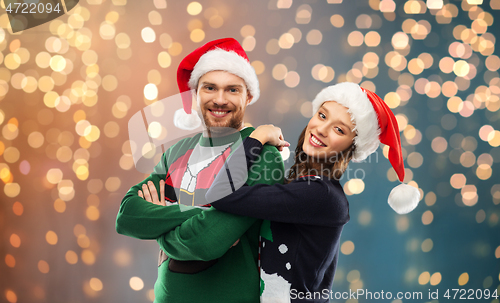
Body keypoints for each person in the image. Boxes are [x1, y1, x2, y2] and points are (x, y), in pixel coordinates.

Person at [140, 82, 420, 302]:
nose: (321, 129)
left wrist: (257, 137)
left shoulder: (319, 195)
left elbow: (221, 194)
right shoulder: (299, 184)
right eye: (322, 115)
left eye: (338, 129)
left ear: (350, 146)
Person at [115, 38, 284, 303]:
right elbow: (126, 216)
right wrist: (204, 211)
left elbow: (206, 242)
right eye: (210, 88)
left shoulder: (263, 155)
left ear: (248, 96)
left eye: (232, 90)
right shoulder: (178, 151)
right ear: (196, 93)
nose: (219, 99)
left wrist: (159, 225)